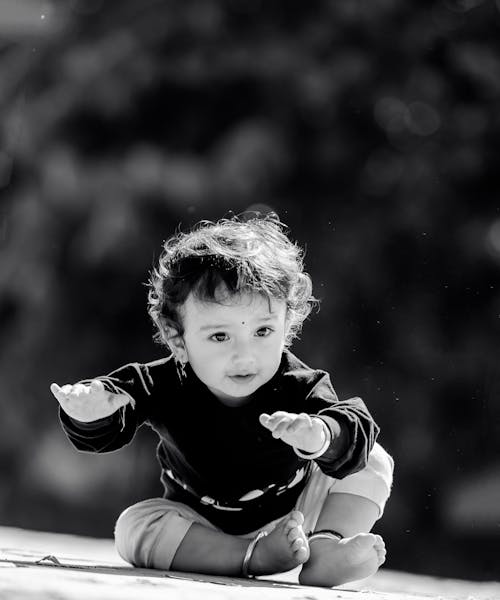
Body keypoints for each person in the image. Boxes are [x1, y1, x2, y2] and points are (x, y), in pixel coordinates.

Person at [51, 214, 394, 587]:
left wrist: (323, 436)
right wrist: (89, 412)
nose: (244, 356)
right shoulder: (162, 382)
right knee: (133, 527)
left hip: (295, 516)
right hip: (199, 525)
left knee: (373, 459)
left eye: (263, 331)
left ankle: (328, 547)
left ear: (287, 322)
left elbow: (355, 428)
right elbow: (107, 425)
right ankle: (252, 558)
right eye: (219, 337)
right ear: (176, 337)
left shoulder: (298, 386)